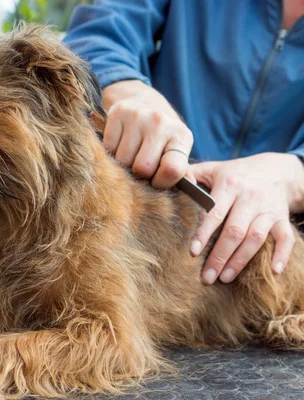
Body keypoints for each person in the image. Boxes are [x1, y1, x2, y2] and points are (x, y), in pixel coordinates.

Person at [63, 0, 304, 285]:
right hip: (131, 227)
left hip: (276, 266)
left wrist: (291, 174)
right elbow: (98, 32)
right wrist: (125, 90)